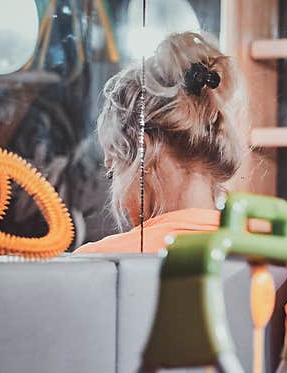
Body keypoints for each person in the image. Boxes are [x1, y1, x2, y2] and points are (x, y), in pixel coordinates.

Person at [74, 31, 248, 254]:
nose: (115, 193)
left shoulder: (100, 261)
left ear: (143, 150)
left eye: (113, 170)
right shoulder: (267, 257)